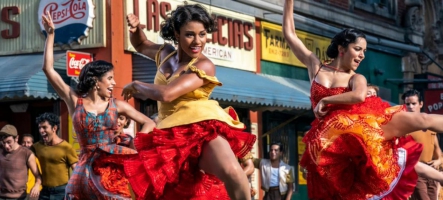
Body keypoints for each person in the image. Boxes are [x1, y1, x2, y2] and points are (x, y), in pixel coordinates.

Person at [283, 0, 443, 199]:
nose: (362, 55)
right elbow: (290, 34)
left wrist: (325, 101)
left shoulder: (356, 77)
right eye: (358, 49)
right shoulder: (316, 67)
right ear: (342, 48)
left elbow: (358, 95)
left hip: (360, 128)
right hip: (330, 143)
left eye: (365, 52)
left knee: (422, 120)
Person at [122, 3, 256, 200]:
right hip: (169, 134)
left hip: (200, 129)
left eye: (202, 34)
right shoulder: (165, 53)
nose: (197, 41)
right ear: (176, 33)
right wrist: (136, 30)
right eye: (190, 34)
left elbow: (168, 94)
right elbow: (141, 44)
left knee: (233, 173)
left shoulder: (204, 65)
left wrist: (136, 85)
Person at [40, 12, 156, 200]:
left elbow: (149, 122)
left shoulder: (117, 105)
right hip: (83, 172)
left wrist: (135, 147)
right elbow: (48, 69)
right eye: (109, 78)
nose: (113, 83)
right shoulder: (74, 100)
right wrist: (51, 35)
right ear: (96, 81)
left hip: (112, 169)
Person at [405, 89, 442, 200]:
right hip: (416, 172)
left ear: (421, 104)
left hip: (432, 172)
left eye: (413, 103)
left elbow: (437, 150)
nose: (410, 107)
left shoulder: (430, 125)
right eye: (408, 104)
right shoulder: (403, 126)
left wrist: (439, 160)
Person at [32, 113, 78, 200]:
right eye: (39, 128)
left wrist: (74, 191)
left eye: (44, 127)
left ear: (54, 128)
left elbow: (76, 171)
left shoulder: (66, 147)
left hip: (61, 192)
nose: (41, 131)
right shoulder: (36, 147)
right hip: (44, 192)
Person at [0, 125, 41, 200]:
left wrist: (37, 185)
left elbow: (38, 176)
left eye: (9, 142)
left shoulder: (26, 153)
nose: (6, 146)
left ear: (16, 138)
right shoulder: (1, 152)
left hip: (20, 197)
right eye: (4, 142)